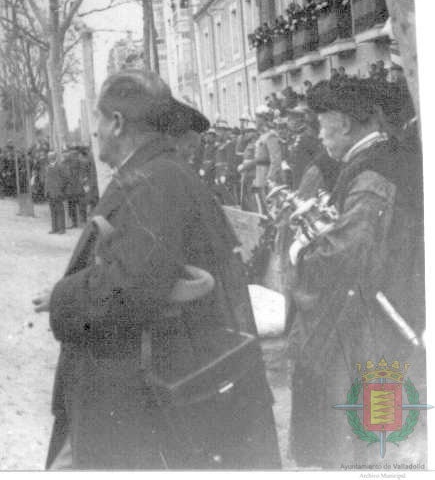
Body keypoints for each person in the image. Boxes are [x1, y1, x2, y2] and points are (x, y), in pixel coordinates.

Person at [33, 69, 280, 470]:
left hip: (145, 399)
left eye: (98, 119)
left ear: (116, 123)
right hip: (162, 389)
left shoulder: (152, 182)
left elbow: (133, 287)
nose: (95, 131)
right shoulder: (160, 174)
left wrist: (61, 297)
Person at [286, 76, 425, 468]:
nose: (321, 135)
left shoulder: (370, 172)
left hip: (376, 327)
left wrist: (301, 251)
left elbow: (349, 254)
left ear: (344, 123)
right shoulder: (386, 157)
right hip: (395, 312)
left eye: (322, 124)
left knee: (373, 441)